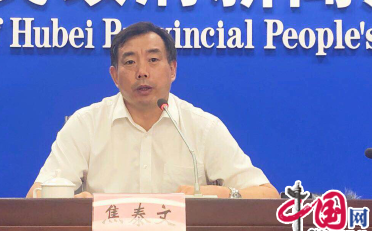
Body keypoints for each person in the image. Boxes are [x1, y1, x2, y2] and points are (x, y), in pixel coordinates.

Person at [27, 22, 279, 199]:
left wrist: (224, 194)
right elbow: (35, 196)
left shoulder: (202, 127)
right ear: (114, 76)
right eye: (129, 62)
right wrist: (72, 205)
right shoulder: (85, 124)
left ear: (173, 69)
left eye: (153, 60)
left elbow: (267, 195)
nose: (142, 72)